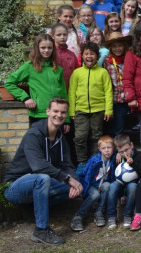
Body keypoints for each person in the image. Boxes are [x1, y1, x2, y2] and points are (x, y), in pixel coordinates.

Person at [3, 97, 82, 245]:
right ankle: (41, 230)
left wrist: (74, 181)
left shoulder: (61, 138)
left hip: (40, 185)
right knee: (42, 178)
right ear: (48, 111)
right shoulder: (34, 134)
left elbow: (68, 166)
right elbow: (38, 166)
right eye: (55, 111)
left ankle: (32, 210)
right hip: (15, 187)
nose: (59, 115)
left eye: (63, 112)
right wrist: (67, 179)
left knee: (78, 184)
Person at [5, 33, 68, 126]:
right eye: (43, 48)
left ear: (53, 49)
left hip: (57, 115)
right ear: (37, 48)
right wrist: (25, 98)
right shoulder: (29, 67)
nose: (46, 50)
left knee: (58, 140)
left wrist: (67, 121)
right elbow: (9, 83)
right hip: (39, 114)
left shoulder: (58, 69)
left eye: (49, 48)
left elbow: (63, 95)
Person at [69, 42, 113, 171]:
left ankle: (94, 160)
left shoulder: (103, 72)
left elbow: (108, 91)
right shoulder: (77, 73)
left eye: (92, 54)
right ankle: (82, 163)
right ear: (82, 56)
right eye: (86, 53)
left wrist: (108, 109)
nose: (89, 56)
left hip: (98, 110)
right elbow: (71, 93)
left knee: (96, 137)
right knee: (80, 137)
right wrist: (72, 111)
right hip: (80, 110)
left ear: (97, 56)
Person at [70, 135, 116, 231]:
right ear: (99, 149)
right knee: (95, 195)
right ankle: (78, 216)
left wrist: (119, 153)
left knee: (107, 185)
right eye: (103, 148)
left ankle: (99, 212)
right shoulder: (94, 160)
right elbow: (84, 174)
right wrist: (83, 189)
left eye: (109, 147)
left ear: (113, 148)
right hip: (91, 185)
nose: (107, 150)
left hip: (103, 184)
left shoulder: (114, 157)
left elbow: (122, 149)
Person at [107, 133, 141, 229]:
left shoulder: (139, 156)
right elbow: (115, 173)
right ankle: (111, 217)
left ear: (132, 145)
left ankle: (127, 215)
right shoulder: (118, 158)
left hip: (133, 183)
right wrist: (118, 155)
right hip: (120, 184)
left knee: (133, 187)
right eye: (121, 151)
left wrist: (133, 164)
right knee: (113, 186)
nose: (125, 153)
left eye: (126, 150)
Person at [102, 32, 132, 136]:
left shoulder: (129, 59)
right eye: (114, 46)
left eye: (120, 46)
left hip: (129, 97)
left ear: (124, 46)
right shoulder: (106, 62)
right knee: (118, 127)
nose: (117, 49)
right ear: (110, 48)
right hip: (116, 99)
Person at [50, 23, 79, 92]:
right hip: (52, 91)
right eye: (59, 35)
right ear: (53, 36)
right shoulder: (49, 53)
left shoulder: (71, 55)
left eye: (65, 34)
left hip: (69, 91)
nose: (62, 37)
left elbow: (76, 73)